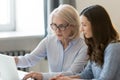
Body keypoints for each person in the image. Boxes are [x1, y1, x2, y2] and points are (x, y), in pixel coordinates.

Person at [14, 4, 88, 80]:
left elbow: (71, 73)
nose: (57, 30)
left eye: (61, 26)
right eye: (54, 25)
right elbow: (30, 59)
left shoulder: (83, 46)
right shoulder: (49, 41)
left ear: (73, 25)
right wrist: (14, 61)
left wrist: (42, 76)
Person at [50, 5, 120, 80]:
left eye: (84, 25)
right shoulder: (96, 47)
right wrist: (66, 78)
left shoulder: (114, 47)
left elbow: (105, 79)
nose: (81, 29)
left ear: (96, 26)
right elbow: (87, 74)